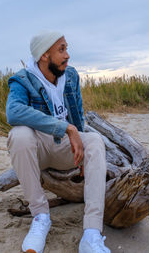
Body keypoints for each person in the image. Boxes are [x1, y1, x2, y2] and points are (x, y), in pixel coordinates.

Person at [6, 31, 111, 253]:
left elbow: (77, 114)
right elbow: (13, 112)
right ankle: (40, 218)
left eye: (66, 48)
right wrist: (65, 128)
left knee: (94, 140)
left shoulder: (70, 76)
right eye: (61, 50)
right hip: (40, 149)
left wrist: (77, 138)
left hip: (65, 148)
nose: (67, 55)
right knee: (19, 134)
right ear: (44, 55)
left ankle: (91, 235)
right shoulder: (23, 79)